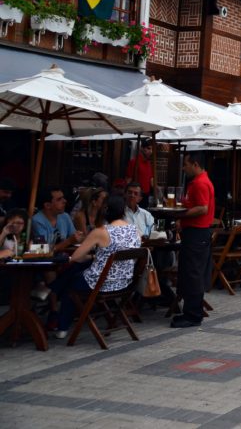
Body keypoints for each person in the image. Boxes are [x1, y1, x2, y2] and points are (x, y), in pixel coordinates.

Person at [49, 194, 140, 339]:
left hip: (99, 283)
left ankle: (62, 326)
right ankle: (51, 289)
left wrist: (80, 257)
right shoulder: (134, 230)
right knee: (77, 270)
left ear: (105, 210)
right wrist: (93, 257)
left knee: (70, 284)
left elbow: (77, 256)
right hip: (123, 283)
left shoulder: (100, 232)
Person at [174, 152, 215, 328]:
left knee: (193, 273)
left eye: (186, 164)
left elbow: (202, 208)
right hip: (197, 232)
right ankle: (191, 312)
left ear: (195, 164)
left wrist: (181, 214)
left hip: (196, 233)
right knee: (193, 272)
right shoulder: (201, 181)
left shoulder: (200, 183)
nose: (184, 168)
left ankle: (192, 315)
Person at [31, 186, 82, 252]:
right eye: (59, 199)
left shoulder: (65, 216)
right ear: (47, 205)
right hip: (44, 260)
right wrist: (69, 241)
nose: (65, 201)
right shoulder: (37, 220)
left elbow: (75, 239)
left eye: (63, 198)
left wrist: (78, 238)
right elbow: (43, 250)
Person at [125, 139, 155, 205]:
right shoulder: (134, 162)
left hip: (146, 196)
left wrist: (161, 195)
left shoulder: (149, 164)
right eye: (148, 148)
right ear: (142, 148)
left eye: (152, 149)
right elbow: (128, 180)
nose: (151, 151)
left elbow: (152, 182)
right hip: (135, 195)